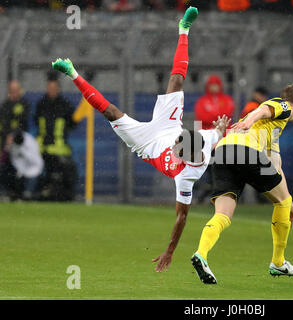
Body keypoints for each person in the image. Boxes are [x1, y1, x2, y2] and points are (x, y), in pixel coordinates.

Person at [52, 7, 230, 272]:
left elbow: (181, 217)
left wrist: (169, 252)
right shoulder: (204, 139)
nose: (176, 151)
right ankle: (184, 29)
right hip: (168, 126)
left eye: (179, 152)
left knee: (110, 111)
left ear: (189, 157)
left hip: (145, 144)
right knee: (177, 80)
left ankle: (72, 73)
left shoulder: (186, 178)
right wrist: (222, 128)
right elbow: (217, 132)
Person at [190, 84, 293, 284]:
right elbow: (263, 109)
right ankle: (278, 263)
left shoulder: (273, 129)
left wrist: (288, 201)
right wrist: (249, 122)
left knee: (222, 215)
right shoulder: (284, 107)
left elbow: (275, 167)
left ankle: (201, 254)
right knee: (281, 203)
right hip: (245, 152)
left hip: (222, 152)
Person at [34, 71, 78, 202]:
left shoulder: (65, 105)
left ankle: (62, 194)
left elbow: (72, 123)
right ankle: (42, 193)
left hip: (59, 149)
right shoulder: (41, 104)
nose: (52, 90)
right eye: (50, 88)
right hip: (42, 149)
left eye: (54, 88)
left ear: (58, 89)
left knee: (68, 171)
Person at [0, 130, 44, 201]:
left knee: (27, 192)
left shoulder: (30, 143)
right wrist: (7, 147)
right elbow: (5, 158)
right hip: (18, 168)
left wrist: (24, 152)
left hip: (32, 170)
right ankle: (5, 193)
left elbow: (37, 162)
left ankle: (27, 194)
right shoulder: (13, 141)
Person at [0, 80, 30, 151]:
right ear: (9, 91)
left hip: (20, 137)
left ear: (20, 90)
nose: (14, 92)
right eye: (12, 90)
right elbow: (3, 123)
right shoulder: (4, 105)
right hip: (6, 137)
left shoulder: (24, 104)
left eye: (16, 90)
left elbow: (23, 123)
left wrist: (13, 135)